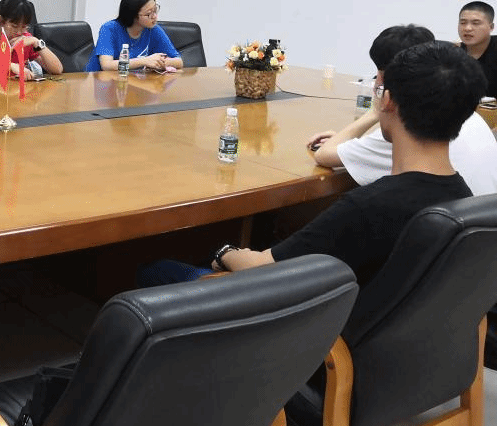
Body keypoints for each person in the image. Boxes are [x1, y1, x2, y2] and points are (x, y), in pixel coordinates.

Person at [140, 41, 485, 287]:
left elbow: (260, 268)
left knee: (156, 270)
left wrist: (224, 251)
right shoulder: (464, 196)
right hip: (389, 341)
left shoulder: (369, 207)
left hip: (313, 339)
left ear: (388, 101)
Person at [307, 24, 497, 195]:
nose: (376, 82)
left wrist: (376, 112)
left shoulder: (410, 132)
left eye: (380, 74)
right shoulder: (464, 115)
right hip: (479, 219)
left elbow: (323, 155)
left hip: (436, 219)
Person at [85, 0, 183, 73]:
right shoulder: (109, 28)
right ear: (133, 16)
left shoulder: (154, 29)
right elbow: (107, 66)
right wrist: (144, 61)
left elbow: (179, 61)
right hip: (104, 83)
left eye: (155, 10)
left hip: (134, 81)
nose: (155, 16)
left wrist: (158, 62)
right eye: (149, 14)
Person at [0, 0, 62, 80]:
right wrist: (9, 66)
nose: (19, 32)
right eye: (14, 26)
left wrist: (37, 42)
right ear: (1, 20)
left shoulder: (26, 39)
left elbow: (57, 70)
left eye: (24, 27)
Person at [458, 0, 497, 98]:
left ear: (491, 27)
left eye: (475, 23)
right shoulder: (453, 53)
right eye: (463, 23)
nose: (467, 28)